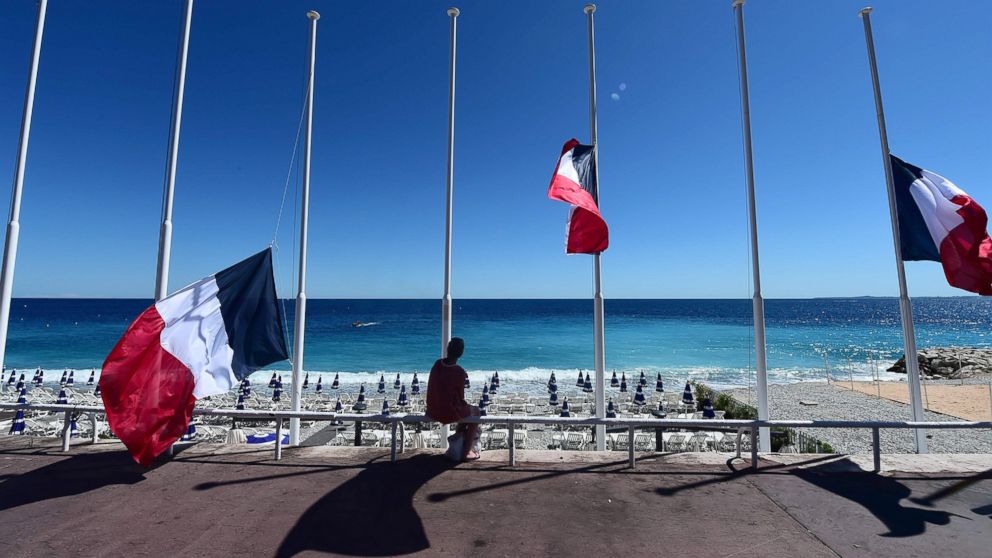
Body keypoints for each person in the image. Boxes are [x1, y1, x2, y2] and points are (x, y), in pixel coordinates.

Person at [425, 337, 480, 461]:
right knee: (476, 413)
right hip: (447, 413)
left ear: (448, 349)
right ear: (461, 353)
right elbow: (460, 398)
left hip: (432, 409)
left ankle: (455, 446)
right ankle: (467, 452)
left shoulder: (437, 364)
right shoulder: (459, 372)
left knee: (466, 414)